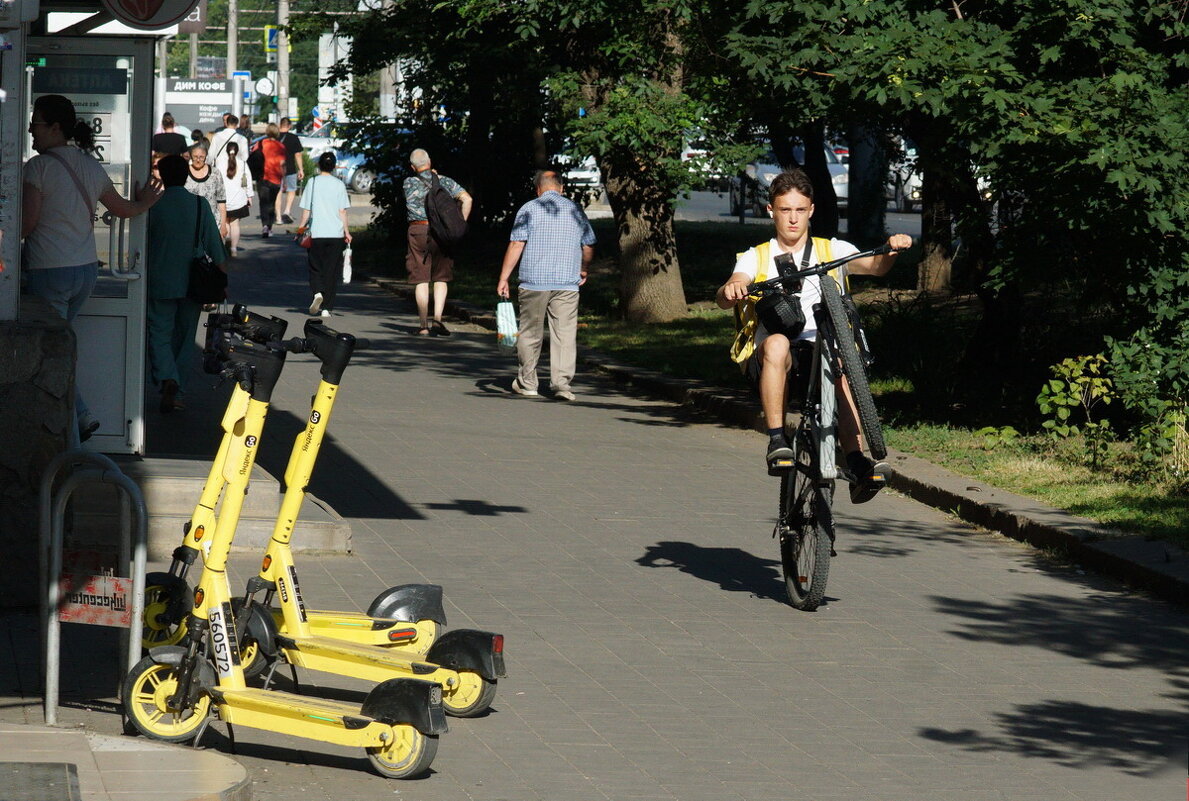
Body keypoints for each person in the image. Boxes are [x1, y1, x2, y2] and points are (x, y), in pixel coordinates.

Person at [715, 168, 911, 502]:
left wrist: (892, 248)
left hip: (823, 352)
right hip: (775, 361)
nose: (793, 219)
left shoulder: (832, 250)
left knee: (839, 361)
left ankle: (857, 463)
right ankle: (777, 441)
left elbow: (875, 266)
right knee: (776, 342)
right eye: (785, 210)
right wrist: (732, 288)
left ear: (811, 211)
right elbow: (728, 289)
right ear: (771, 211)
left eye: (799, 210)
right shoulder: (757, 255)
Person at [22, 94, 162, 443]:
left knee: (55, 355)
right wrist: (147, 200)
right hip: (85, 271)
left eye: (35, 123)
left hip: (49, 271)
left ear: (55, 127)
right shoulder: (90, 165)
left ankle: (75, 426)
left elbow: (27, 223)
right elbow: (124, 208)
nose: (30, 130)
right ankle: (78, 419)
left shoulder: (37, 168)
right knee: (61, 346)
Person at [496, 170, 595, 401]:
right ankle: (561, 385)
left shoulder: (529, 208)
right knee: (565, 335)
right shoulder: (575, 210)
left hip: (534, 282)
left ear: (538, 189)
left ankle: (527, 382)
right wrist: (584, 268)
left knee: (530, 332)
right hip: (567, 284)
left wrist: (504, 277)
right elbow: (588, 245)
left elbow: (516, 244)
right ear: (561, 188)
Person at [146, 155, 228, 413]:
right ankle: (178, 391)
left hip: (159, 279)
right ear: (186, 176)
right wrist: (222, 279)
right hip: (193, 282)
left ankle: (167, 376)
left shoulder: (154, 206)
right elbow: (215, 246)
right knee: (185, 339)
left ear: (163, 176)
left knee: (159, 334)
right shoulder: (199, 205)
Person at [403, 148, 472, 336]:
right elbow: (467, 199)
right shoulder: (444, 181)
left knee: (421, 278)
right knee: (441, 277)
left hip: (418, 230)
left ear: (412, 167)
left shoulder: (408, 183)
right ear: (430, 162)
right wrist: (460, 223)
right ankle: (438, 319)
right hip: (442, 232)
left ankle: (423, 325)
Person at [296, 152, 352, 318]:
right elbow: (342, 211)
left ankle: (317, 292)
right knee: (331, 270)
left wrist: (300, 229)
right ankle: (327, 308)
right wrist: (347, 232)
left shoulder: (312, 183)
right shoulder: (339, 185)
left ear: (319, 165)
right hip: (335, 234)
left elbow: (306, 211)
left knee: (315, 267)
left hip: (317, 232)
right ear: (334, 166)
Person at [184, 142, 228, 243]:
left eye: (201, 157)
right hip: (190, 223)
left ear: (206, 156)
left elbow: (221, 201)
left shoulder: (215, 173)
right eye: (195, 157)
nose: (198, 160)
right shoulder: (184, 173)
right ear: (191, 156)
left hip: (212, 222)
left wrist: (223, 225)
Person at [218, 140, 253, 256]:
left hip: (223, 199)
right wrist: (249, 195)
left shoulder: (220, 163)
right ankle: (233, 248)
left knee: (225, 222)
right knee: (235, 224)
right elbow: (247, 181)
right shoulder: (242, 163)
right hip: (238, 199)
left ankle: (224, 246)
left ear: (226, 151)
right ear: (237, 151)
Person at [255, 123, 287, 238]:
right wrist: (285, 181)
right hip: (276, 178)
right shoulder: (281, 146)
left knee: (263, 203)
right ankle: (269, 227)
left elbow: (254, 157)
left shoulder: (260, 143)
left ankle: (264, 225)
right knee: (272, 204)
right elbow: (282, 164)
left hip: (262, 177)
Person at [276, 117, 305, 224]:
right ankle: (287, 211)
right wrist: (301, 169)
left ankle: (278, 217)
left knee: (278, 192)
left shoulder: (275, 138)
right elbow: (298, 155)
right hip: (290, 168)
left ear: (280, 125)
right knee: (291, 190)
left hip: (277, 169)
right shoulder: (293, 138)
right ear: (289, 126)